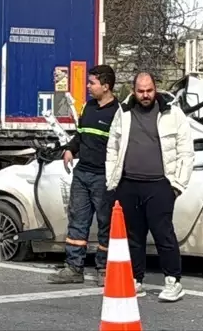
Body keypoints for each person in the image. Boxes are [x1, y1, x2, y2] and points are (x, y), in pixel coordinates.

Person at [104, 71, 193, 302]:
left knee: (163, 234)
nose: (145, 95)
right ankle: (136, 280)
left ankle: (173, 281)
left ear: (156, 89)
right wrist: (112, 180)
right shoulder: (122, 113)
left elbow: (186, 151)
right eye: (141, 91)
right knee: (134, 236)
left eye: (149, 90)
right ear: (134, 91)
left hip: (160, 186)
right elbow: (112, 148)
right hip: (129, 184)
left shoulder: (173, 113)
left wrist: (177, 185)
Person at [48, 64, 121, 286]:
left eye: (92, 83)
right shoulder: (88, 107)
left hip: (103, 177)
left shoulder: (118, 113)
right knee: (77, 222)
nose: (88, 87)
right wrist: (70, 149)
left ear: (106, 86)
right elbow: (80, 135)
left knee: (105, 223)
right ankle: (73, 268)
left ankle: (104, 269)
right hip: (82, 174)